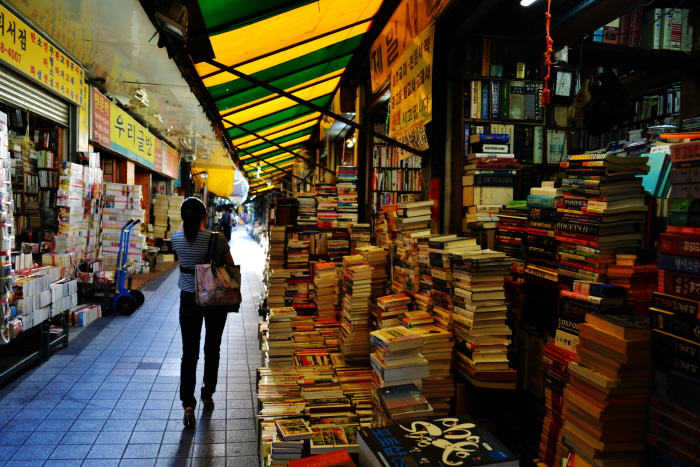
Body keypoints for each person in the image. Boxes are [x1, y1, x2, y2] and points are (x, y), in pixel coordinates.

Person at [171, 197, 235, 426]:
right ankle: (207, 393)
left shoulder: (176, 238)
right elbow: (230, 265)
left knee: (189, 353)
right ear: (203, 217)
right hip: (215, 299)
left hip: (188, 300)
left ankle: (188, 403)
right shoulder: (217, 239)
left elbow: (183, 229)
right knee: (212, 348)